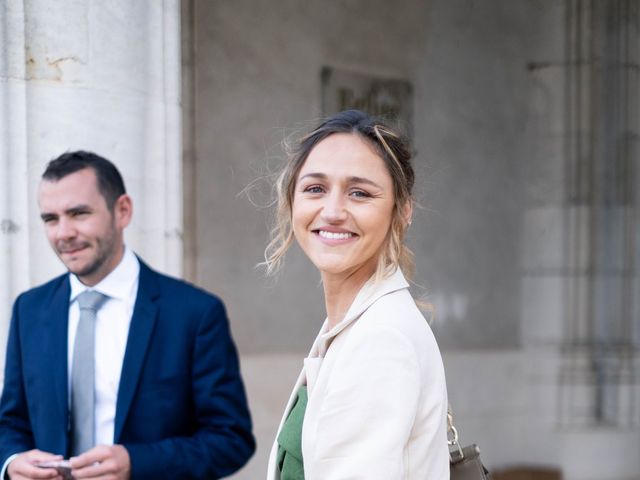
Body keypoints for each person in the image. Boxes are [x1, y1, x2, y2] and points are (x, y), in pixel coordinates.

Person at [0, 151, 255, 479]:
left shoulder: (194, 313)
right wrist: (11, 461)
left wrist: (138, 462)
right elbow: (11, 423)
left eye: (78, 213)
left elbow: (230, 439)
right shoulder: (29, 310)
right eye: (51, 219)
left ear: (122, 211)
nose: (63, 233)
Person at [264, 110, 450, 479]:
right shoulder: (353, 322)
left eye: (359, 193)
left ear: (402, 212)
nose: (332, 211)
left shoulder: (381, 338)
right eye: (315, 188)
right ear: (292, 201)